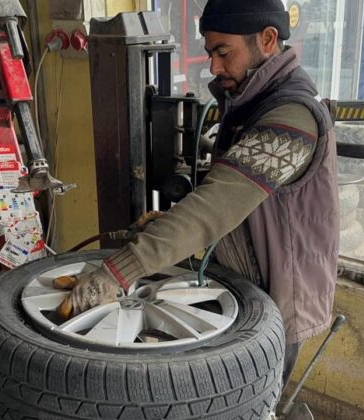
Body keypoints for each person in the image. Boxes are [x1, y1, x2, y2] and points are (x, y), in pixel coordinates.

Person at [54, 0, 339, 392]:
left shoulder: (292, 116)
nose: (214, 67)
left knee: (248, 403)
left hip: (281, 297)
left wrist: (116, 273)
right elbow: (228, 196)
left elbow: (217, 205)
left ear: (268, 39)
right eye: (210, 53)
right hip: (242, 278)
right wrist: (173, 227)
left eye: (224, 52)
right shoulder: (248, 102)